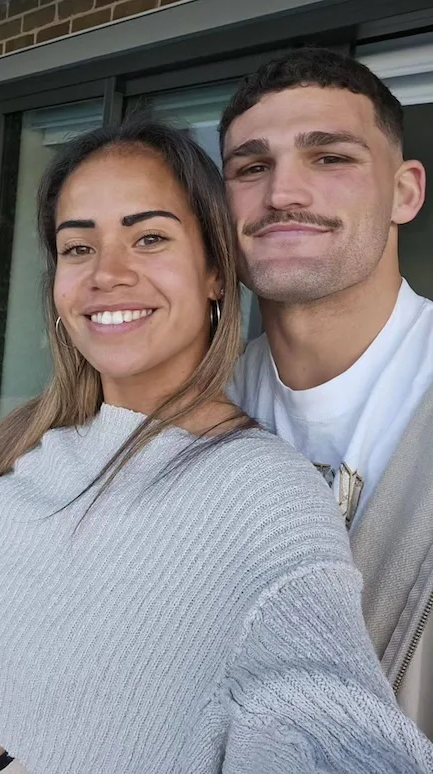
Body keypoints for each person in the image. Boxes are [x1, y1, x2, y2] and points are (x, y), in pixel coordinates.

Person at [0, 119, 433, 773]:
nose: (106, 274)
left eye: (148, 237)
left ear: (215, 272)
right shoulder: (31, 438)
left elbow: (324, 719)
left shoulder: (264, 499)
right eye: (77, 248)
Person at [222, 47, 433, 738]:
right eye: (250, 167)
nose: (282, 192)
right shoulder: (192, 403)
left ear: (404, 191)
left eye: (330, 157)